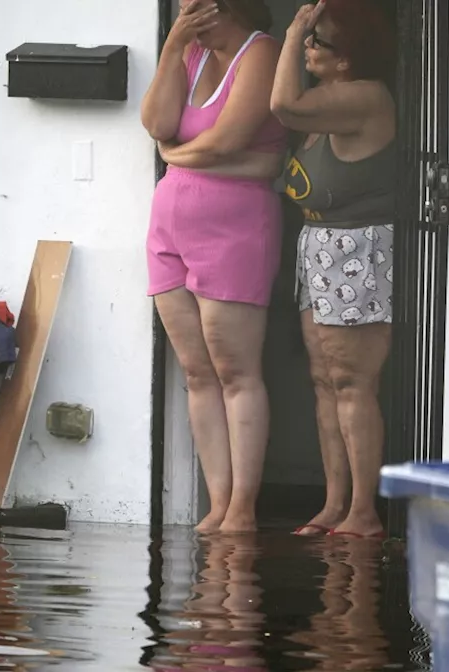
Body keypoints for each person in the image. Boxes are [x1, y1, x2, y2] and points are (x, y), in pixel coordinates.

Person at [140, 0, 287, 534]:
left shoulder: (260, 52)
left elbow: (228, 138)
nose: (182, 5)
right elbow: (155, 121)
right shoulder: (191, 53)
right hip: (170, 228)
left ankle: (243, 507)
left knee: (235, 370)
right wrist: (173, 46)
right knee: (196, 372)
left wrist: (174, 154)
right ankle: (219, 503)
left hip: (235, 230)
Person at [271, 0, 397, 539]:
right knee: (324, 381)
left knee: (352, 381)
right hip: (318, 247)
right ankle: (334, 504)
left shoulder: (364, 97)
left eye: (317, 40)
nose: (306, 45)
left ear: (347, 59)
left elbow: (281, 105)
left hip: (357, 248)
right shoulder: (326, 104)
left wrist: (293, 24)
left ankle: (364, 512)